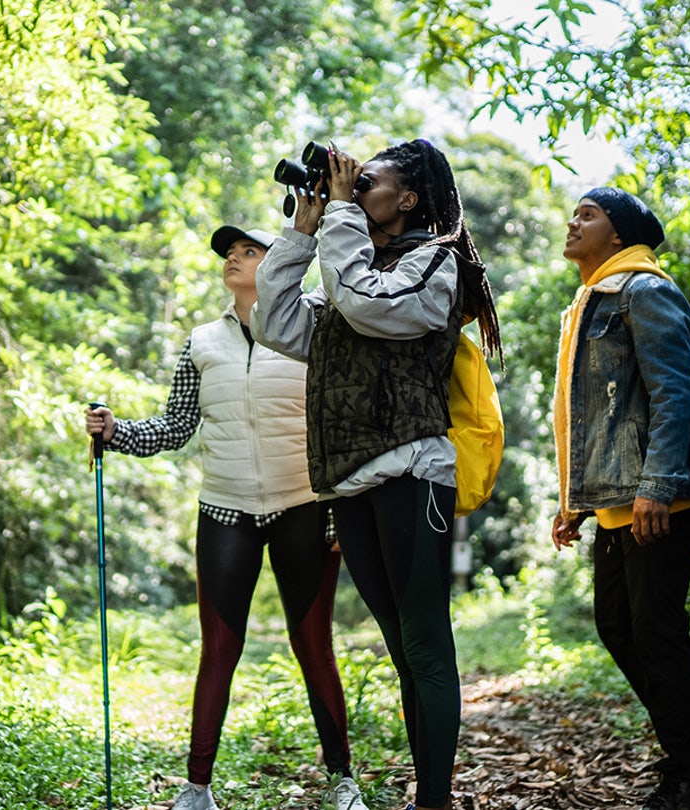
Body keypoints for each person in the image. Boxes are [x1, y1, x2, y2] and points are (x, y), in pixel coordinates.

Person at [252, 139, 503, 810]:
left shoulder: (435, 263)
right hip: (352, 483)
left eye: (366, 183)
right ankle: (431, 796)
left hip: (413, 472)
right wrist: (301, 234)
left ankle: (435, 802)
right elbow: (274, 322)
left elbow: (369, 305)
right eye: (349, 185)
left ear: (409, 198)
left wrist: (337, 220)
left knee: (425, 646)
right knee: (402, 651)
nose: (352, 192)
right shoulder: (350, 262)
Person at [84, 225, 368, 810]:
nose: (234, 260)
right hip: (225, 510)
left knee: (314, 644)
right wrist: (116, 431)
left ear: (279, 263)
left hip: (304, 507)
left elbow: (343, 424)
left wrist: (341, 511)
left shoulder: (315, 327)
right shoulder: (202, 341)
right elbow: (175, 425)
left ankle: (342, 780)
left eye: (249, 251)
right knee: (218, 650)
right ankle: (198, 789)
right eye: (229, 255)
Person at [549, 187, 690, 810]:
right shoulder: (591, 299)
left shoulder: (646, 291)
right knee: (618, 627)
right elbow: (586, 418)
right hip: (614, 496)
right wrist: (572, 501)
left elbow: (675, 391)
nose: (574, 222)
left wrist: (658, 484)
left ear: (620, 235)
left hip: (660, 496)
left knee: (655, 629)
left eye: (589, 215)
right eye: (575, 212)